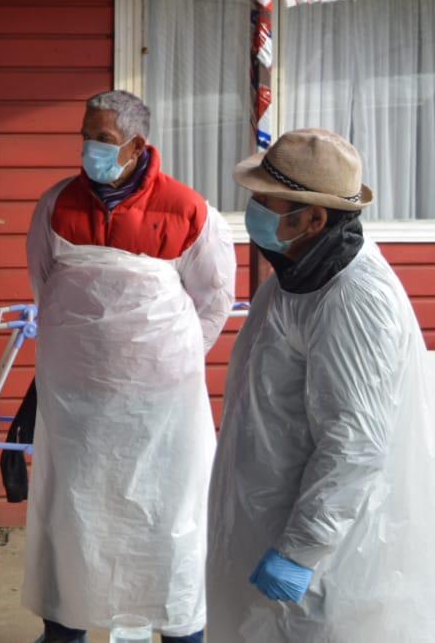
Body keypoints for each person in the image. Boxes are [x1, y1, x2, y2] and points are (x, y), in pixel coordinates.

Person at [23, 90, 236, 643]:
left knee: (165, 521)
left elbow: (213, 299)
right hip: (77, 404)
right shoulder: (56, 205)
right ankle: (64, 628)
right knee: (73, 517)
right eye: (86, 135)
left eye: (103, 139)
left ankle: (179, 630)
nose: (90, 148)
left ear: (137, 145)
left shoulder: (188, 210)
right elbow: (48, 286)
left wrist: (161, 361)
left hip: (160, 408)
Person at [207, 128, 435, 642]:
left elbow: (354, 445)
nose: (255, 214)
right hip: (271, 517)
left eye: (268, 203)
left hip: (323, 560)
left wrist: (299, 550)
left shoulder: (354, 299)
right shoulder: (295, 274)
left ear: (314, 218)